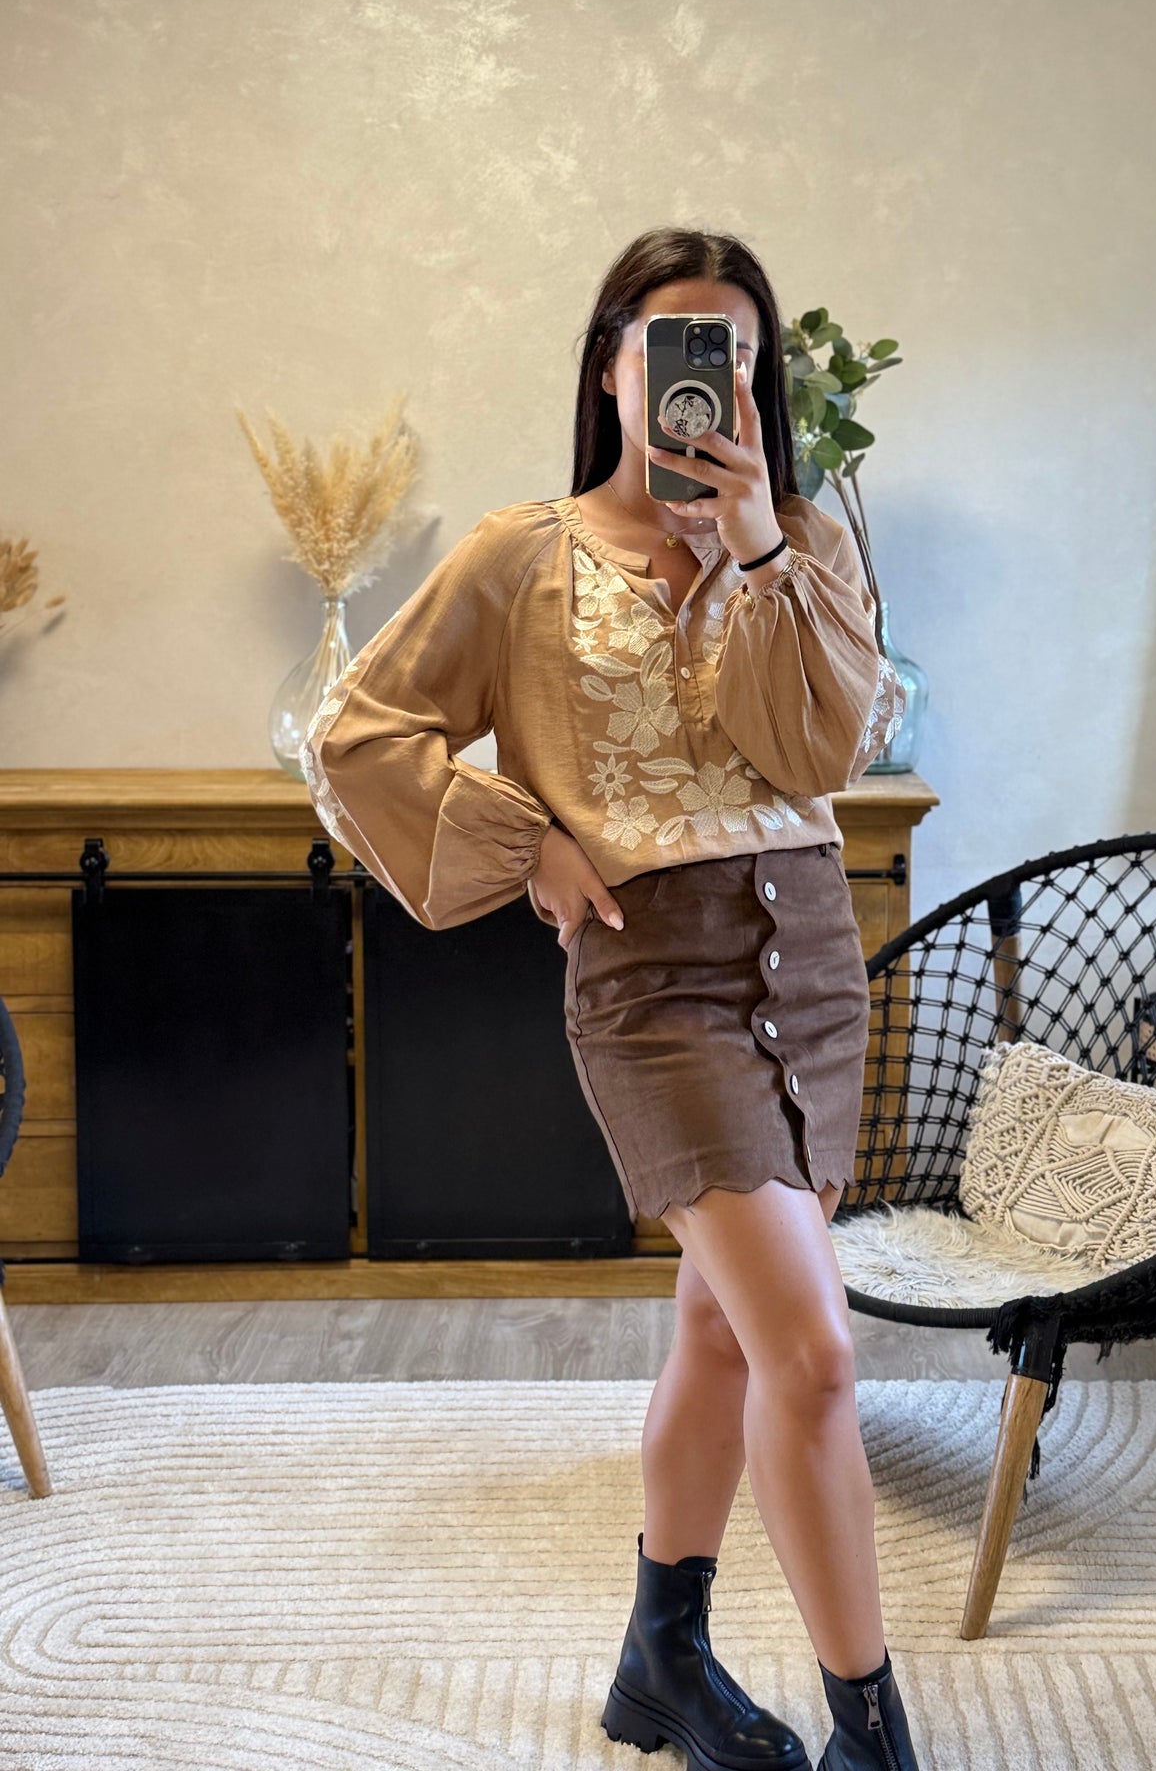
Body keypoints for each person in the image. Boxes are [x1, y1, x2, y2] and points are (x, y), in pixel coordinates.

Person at [299, 226, 916, 1771]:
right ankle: (872, 1737)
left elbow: (822, 755)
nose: (711, 377)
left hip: (807, 958)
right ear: (611, 366)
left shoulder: (805, 545)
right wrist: (529, 845)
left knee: (725, 1333)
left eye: (738, 351)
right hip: (654, 980)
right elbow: (354, 735)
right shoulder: (523, 556)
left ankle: (661, 1666)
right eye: (677, 344)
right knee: (816, 1355)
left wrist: (759, 549)